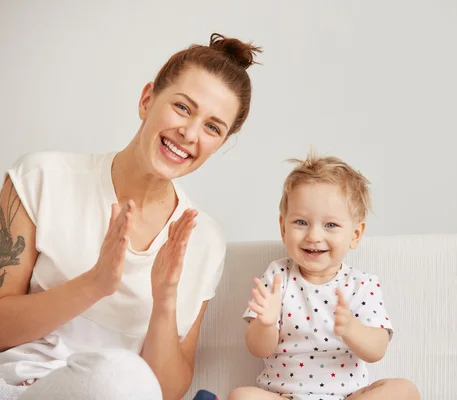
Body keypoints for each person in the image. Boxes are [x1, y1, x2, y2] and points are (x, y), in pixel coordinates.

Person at [0, 33, 261, 400]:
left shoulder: (204, 239)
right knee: (120, 373)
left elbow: (167, 392)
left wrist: (165, 299)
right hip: (24, 387)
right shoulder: (40, 177)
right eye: (183, 107)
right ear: (147, 99)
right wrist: (95, 284)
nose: (188, 133)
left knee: (126, 378)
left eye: (212, 127)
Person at [228, 153, 420, 400]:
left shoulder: (362, 285)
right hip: (285, 396)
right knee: (241, 397)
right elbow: (257, 349)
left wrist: (352, 329)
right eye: (301, 222)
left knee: (404, 390)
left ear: (355, 234)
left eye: (330, 225)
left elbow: (377, 349)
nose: (314, 236)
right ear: (283, 226)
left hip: (349, 396)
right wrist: (265, 324)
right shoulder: (278, 276)